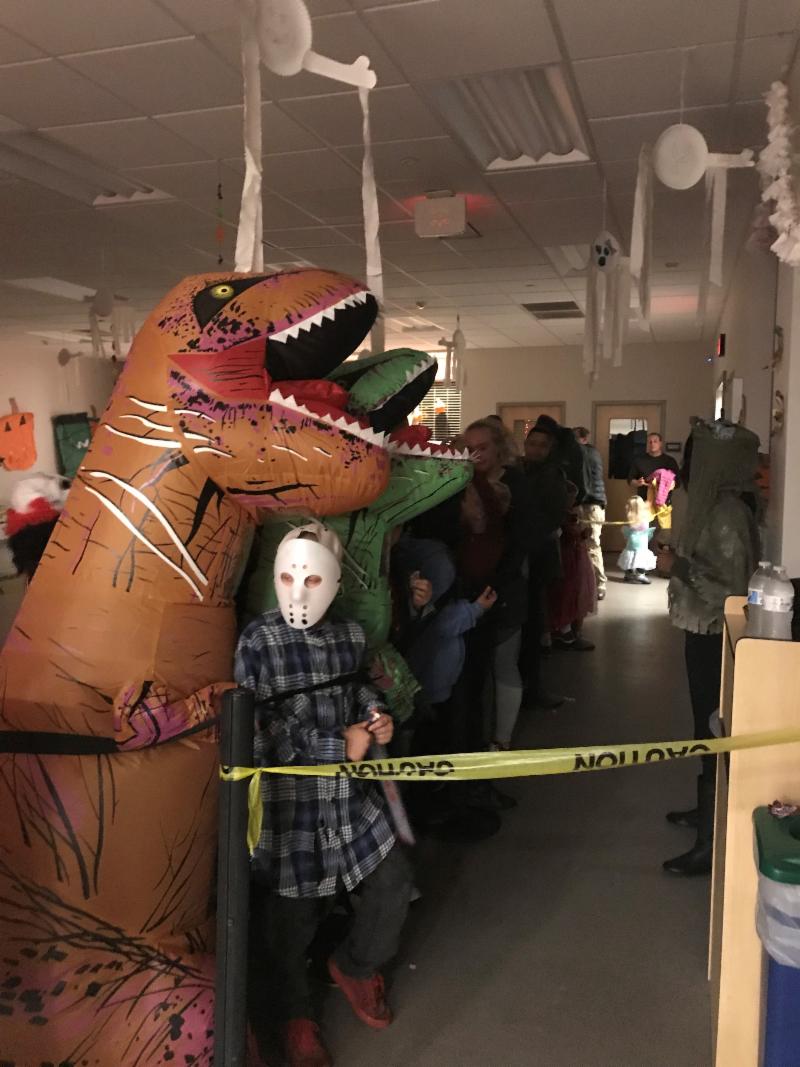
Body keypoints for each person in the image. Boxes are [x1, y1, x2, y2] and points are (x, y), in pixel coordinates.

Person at [235, 522, 412, 1067]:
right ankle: (296, 1014)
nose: (298, 592)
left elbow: (358, 691)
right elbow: (254, 731)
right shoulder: (257, 642)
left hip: (348, 798)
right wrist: (335, 744)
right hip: (292, 807)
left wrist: (375, 717)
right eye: (287, 578)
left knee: (394, 882)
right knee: (291, 921)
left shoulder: (349, 637)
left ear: (334, 583)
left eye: (312, 580)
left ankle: (355, 966)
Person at [662, 421, 760, 877]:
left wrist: (678, 566)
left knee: (711, 723)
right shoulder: (715, 505)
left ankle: (710, 840)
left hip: (714, 634)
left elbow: (731, 590)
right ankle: (706, 812)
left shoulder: (727, 512)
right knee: (704, 723)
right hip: (701, 629)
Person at [522, 420, 571, 692]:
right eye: (532, 444)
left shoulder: (553, 477)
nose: (536, 450)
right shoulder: (519, 470)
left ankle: (533, 687)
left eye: (542, 445)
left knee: (534, 616)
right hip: (524, 552)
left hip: (538, 555)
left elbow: (552, 518)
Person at [548, 481, 597, 650]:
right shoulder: (561, 516)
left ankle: (567, 629)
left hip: (574, 558)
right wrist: (580, 534)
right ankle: (564, 630)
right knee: (566, 593)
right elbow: (568, 536)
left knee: (572, 592)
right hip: (567, 559)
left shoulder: (569, 514)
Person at [574, 427, 607, 600]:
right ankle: (591, 583)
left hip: (590, 505)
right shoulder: (591, 453)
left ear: (583, 439)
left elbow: (583, 482)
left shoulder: (585, 453)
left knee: (591, 545)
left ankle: (599, 584)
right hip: (592, 504)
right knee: (588, 545)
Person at [628, 432, 679, 501]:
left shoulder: (670, 461)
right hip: (643, 502)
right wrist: (637, 483)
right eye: (650, 442)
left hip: (664, 503)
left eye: (655, 441)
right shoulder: (639, 460)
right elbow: (630, 480)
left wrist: (667, 486)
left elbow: (677, 482)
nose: (652, 444)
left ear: (660, 443)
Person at [618, 496, 658, 585]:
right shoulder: (644, 516)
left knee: (630, 556)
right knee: (641, 557)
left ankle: (629, 573)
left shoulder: (631, 516)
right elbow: (645, 526)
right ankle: (640, 574)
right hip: (640, 541)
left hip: (632, 539)